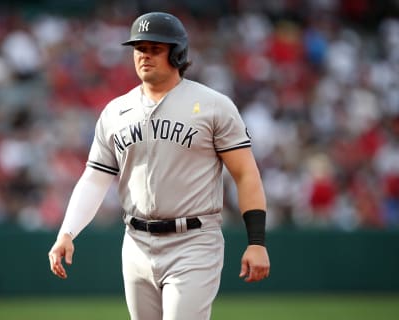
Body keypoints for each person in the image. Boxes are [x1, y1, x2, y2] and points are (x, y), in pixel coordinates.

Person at [48, 11, 270, 320]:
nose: (144, 56)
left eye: (155, 48)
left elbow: (245, 174)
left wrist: (256, 241)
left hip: (193, 240)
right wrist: (67, 232)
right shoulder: (116, 111)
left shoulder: (213, 105)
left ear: (177, 53)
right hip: (136, 241)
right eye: (140, 48)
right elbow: (95, 179)